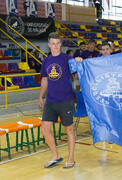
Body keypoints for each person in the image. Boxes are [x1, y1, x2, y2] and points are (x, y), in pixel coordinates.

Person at [39, 32, 82, 169]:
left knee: (69, 129)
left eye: (58, 43)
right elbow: (45, 79)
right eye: (53, 43)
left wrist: (79, 61)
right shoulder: (46, 60)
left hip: (65, 100)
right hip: (50, 101)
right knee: (45, 128)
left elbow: (78, 69)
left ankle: (71, 158)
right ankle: (55, 155)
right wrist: (41, 96)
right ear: (49, 45)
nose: (55, 46)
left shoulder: (67, 59)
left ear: (61, 44)